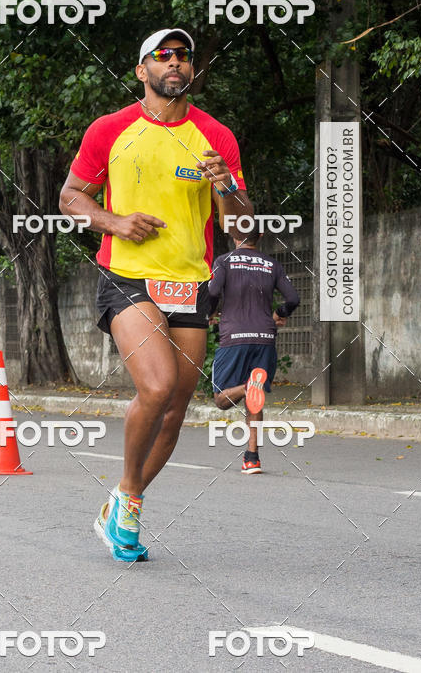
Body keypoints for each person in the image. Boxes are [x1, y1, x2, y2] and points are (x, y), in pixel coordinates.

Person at [59, 28, 252, 561]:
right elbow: (70, 196)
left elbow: (241, 225)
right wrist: (114, 221)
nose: (175, 63)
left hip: (190, 283)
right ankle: (128, 499)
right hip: (128, 277)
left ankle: (124, 501)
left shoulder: (216, 136)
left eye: (183, 56)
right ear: (142, 71)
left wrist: (226, 186)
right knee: (158, 385)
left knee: (175, 409)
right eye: (163, 56)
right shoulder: (110, 130)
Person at [208, 233, 299, 474]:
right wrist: (280, 313)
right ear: (260, 235)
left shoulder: (224, 261)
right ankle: (252, 458)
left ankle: (247, 388)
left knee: (221, 400)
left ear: (232, 233)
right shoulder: (272, 264)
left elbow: (213, 292)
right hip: (265, 338)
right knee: (254, 400)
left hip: (234, 337)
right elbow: (293, 298)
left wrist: (209, 314)